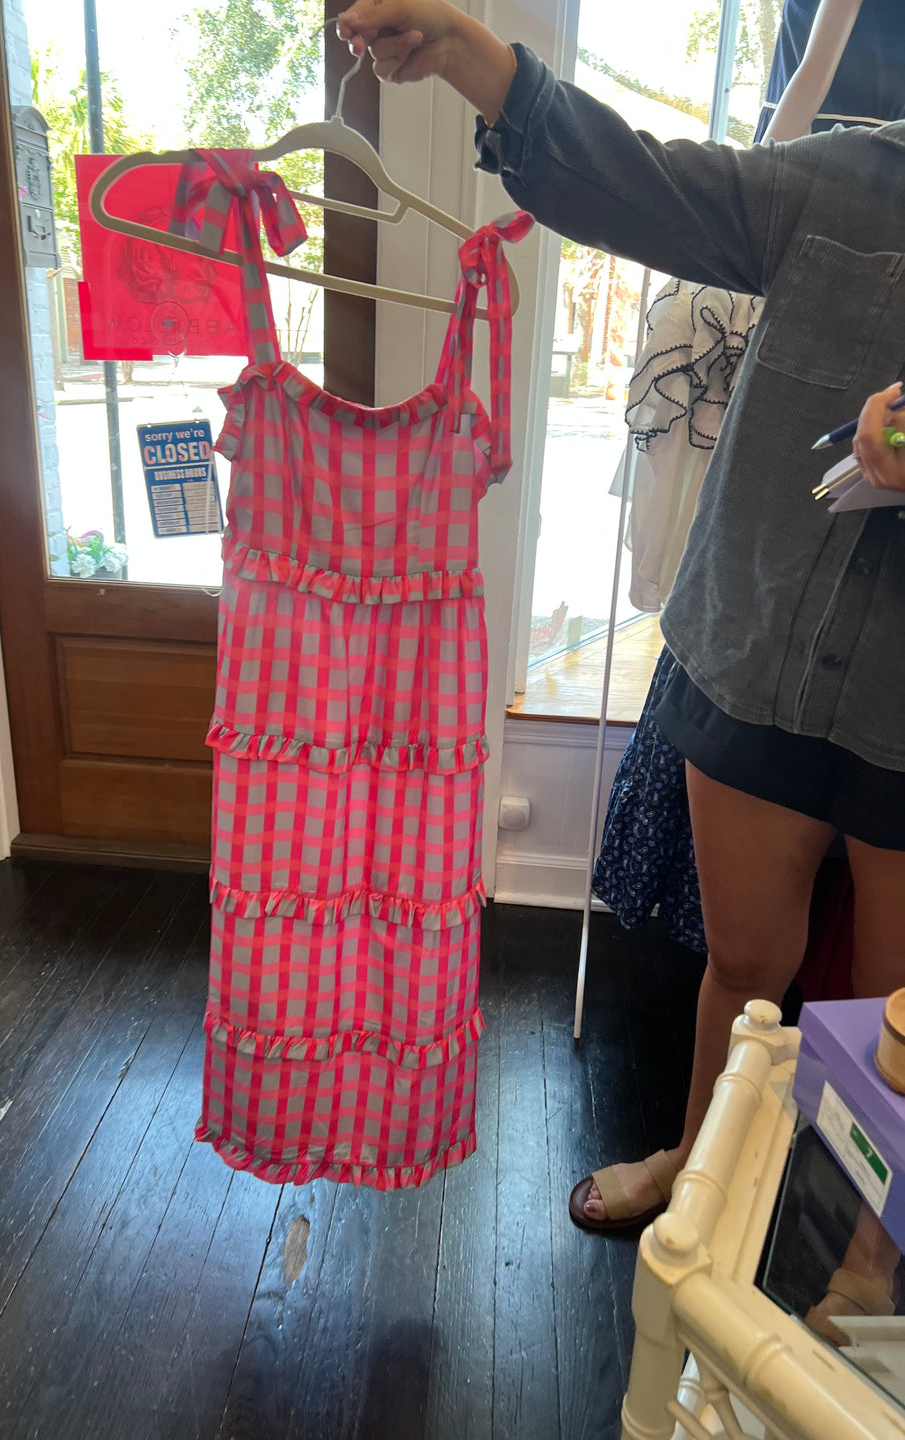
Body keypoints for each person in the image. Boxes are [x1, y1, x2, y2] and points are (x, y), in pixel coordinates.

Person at [337, 0, 905, 1230]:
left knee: (892, 1020)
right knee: (744, 965)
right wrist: (471, 54)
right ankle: (697, 1172)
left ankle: (858, 1254)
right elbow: (641, 182)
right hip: (753, 649)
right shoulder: (846, 180)